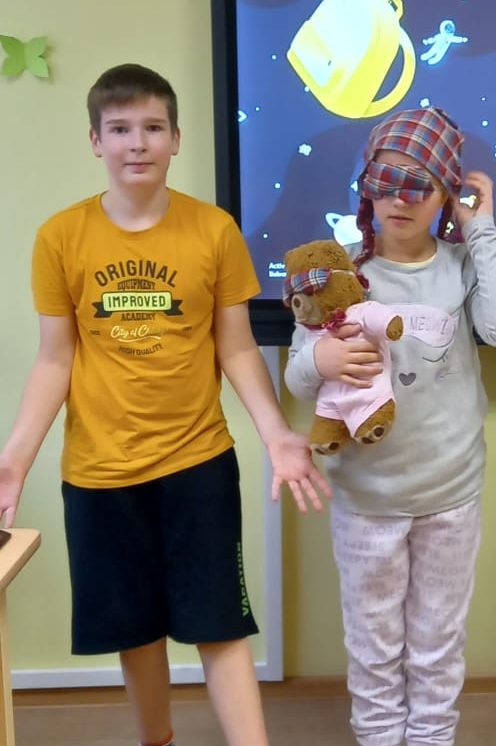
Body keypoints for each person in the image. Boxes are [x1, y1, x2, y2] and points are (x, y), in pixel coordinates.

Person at [0, 63, 329, 746]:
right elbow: (55, 360)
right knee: (135, 628)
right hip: (99, 473)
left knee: (219, 622)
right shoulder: (60, 237)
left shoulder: (214, 231)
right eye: (120, 129)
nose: (138, 143)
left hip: (197, 464)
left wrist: (276, 435)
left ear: (176, 138)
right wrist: (15, 460)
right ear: (95, 140)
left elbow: (237, 348)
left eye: (153, 127)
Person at [284, 106, 496, 746]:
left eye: (420, 185)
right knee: (373, 645)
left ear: (446, 194)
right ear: (366, 187)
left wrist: (482, 230)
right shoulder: (338, 269)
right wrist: (320, 359)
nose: (400, 199)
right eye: (385, 181)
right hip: (368, 501)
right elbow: (297, 376)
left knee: (437, 642)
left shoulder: (461, 263)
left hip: (451, 495)